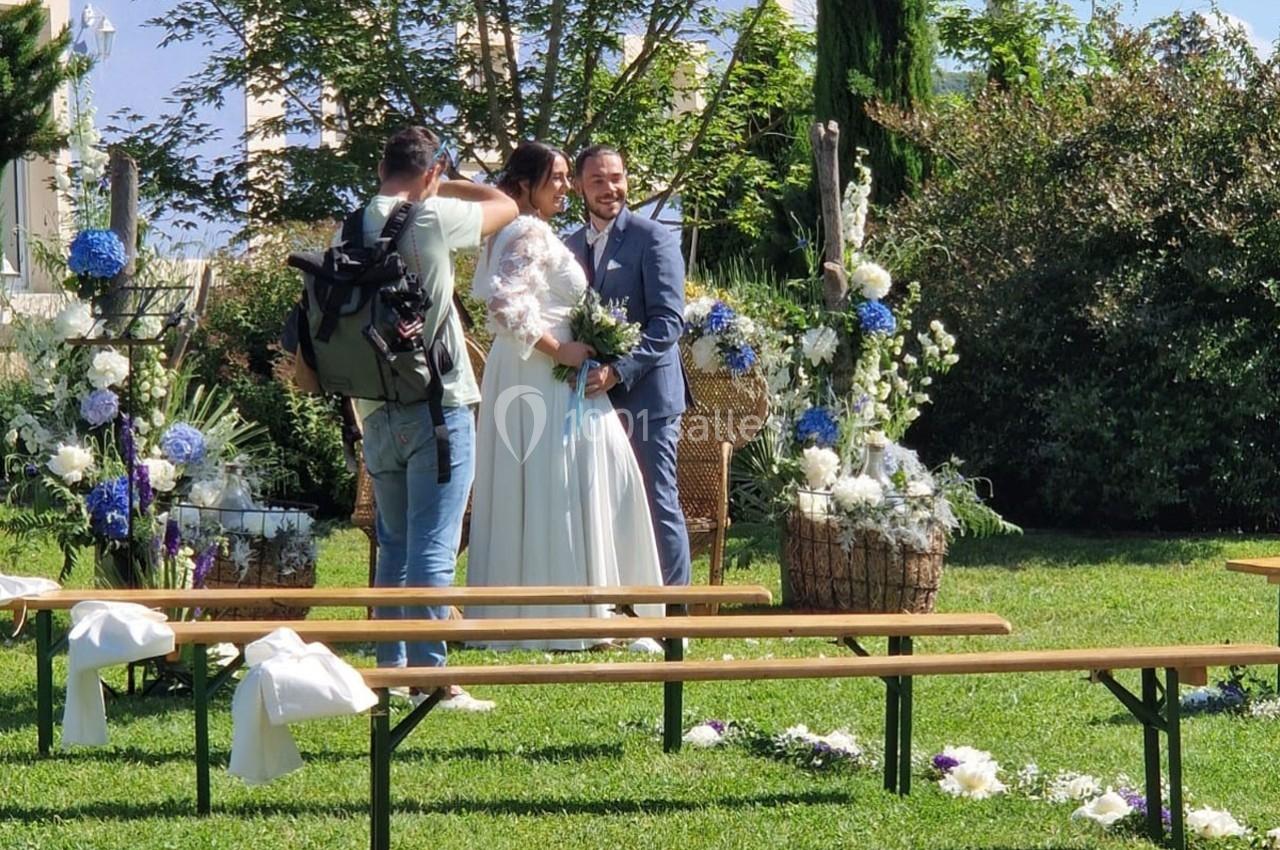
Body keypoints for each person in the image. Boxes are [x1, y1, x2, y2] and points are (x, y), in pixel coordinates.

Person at [465, 140, 665, 650]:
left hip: (520, 370)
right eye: (554, 178)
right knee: (575, 475)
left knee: (548, 481)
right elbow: (507, 305)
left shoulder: (503, 230)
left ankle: (560, 605)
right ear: (525, 184)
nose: (563, 187)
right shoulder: (529, 230)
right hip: (542, 372)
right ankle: (582, 609)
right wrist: (562, 350)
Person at [352, 127, 517, 706]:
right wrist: (448, 184)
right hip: (437, 407)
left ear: (380, 168)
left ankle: (391, 669)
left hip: (374, 410)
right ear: (430, 173)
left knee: (394, 542)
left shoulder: (354, 223)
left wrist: (431, 179)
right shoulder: (430, 216)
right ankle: (432, 678)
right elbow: (507, 204)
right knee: (434, 544)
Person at [564, 145, 692, 591]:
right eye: (597, 180)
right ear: (579, 187)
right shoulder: (569, 246)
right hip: (589, 401)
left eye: (616, 178)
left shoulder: (652, 238)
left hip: (648, 397)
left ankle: (673, 613)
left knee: (657, 502)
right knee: (604, 505)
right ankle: (620, 603)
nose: (609, 188)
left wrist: (617, 371)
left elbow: (668, 322)